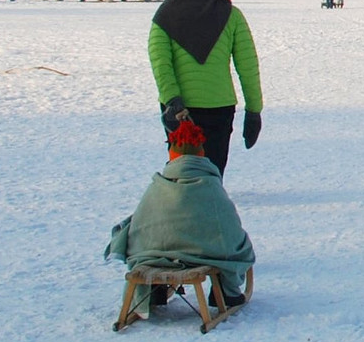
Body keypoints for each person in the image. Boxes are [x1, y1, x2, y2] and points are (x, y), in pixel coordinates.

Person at [106, 118, 256, 313]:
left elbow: (142, 222)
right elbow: (227, 226)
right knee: (239, 246)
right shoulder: (210, 185)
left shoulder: (158, 185)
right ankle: (226, 290)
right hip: (204, 253)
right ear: (202, 153)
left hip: (155, 253)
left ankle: (156, 288)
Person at [149, 0, 264, 173]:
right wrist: (253, 111)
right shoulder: (232, 15)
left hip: (180, 109)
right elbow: (248, 67)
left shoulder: (164, 15)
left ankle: (183, 202)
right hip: (219, 107)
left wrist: (172, 99)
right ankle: (212, 200)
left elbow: (160, 62)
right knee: (213, 170)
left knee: (183, 171)